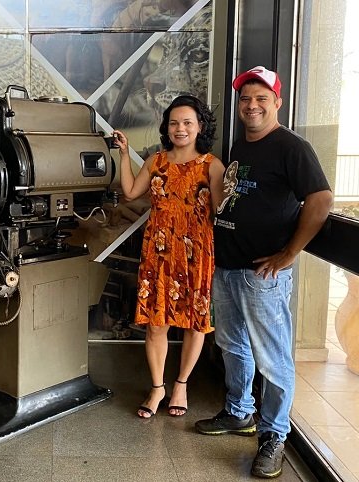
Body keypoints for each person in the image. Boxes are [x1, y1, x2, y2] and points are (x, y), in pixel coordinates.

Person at [194, 66, 333, 478]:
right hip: (228, 266)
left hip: (263, 276)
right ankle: (239, 412)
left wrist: (289, 253)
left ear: (277, 102)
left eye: (260, 99)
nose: (251, 106)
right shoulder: (242, 145)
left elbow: (321, 199)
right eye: (245, 99)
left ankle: (274, 435)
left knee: (273, 360)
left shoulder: (292, 147)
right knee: (232, 345)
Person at [113, 94, 226, 419]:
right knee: (155, 325)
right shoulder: (156, 161)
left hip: (196, 253)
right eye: (174, 122)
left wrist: (231, 190)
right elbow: (130, 192)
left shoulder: (212, 165)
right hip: (159, 253)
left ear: (200, 126)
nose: (180, 128)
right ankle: (157, 387)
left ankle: (181, 384)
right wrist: (124, 154)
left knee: (194, 324)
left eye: (187, 122)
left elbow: (220, 208)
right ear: (167, 127)